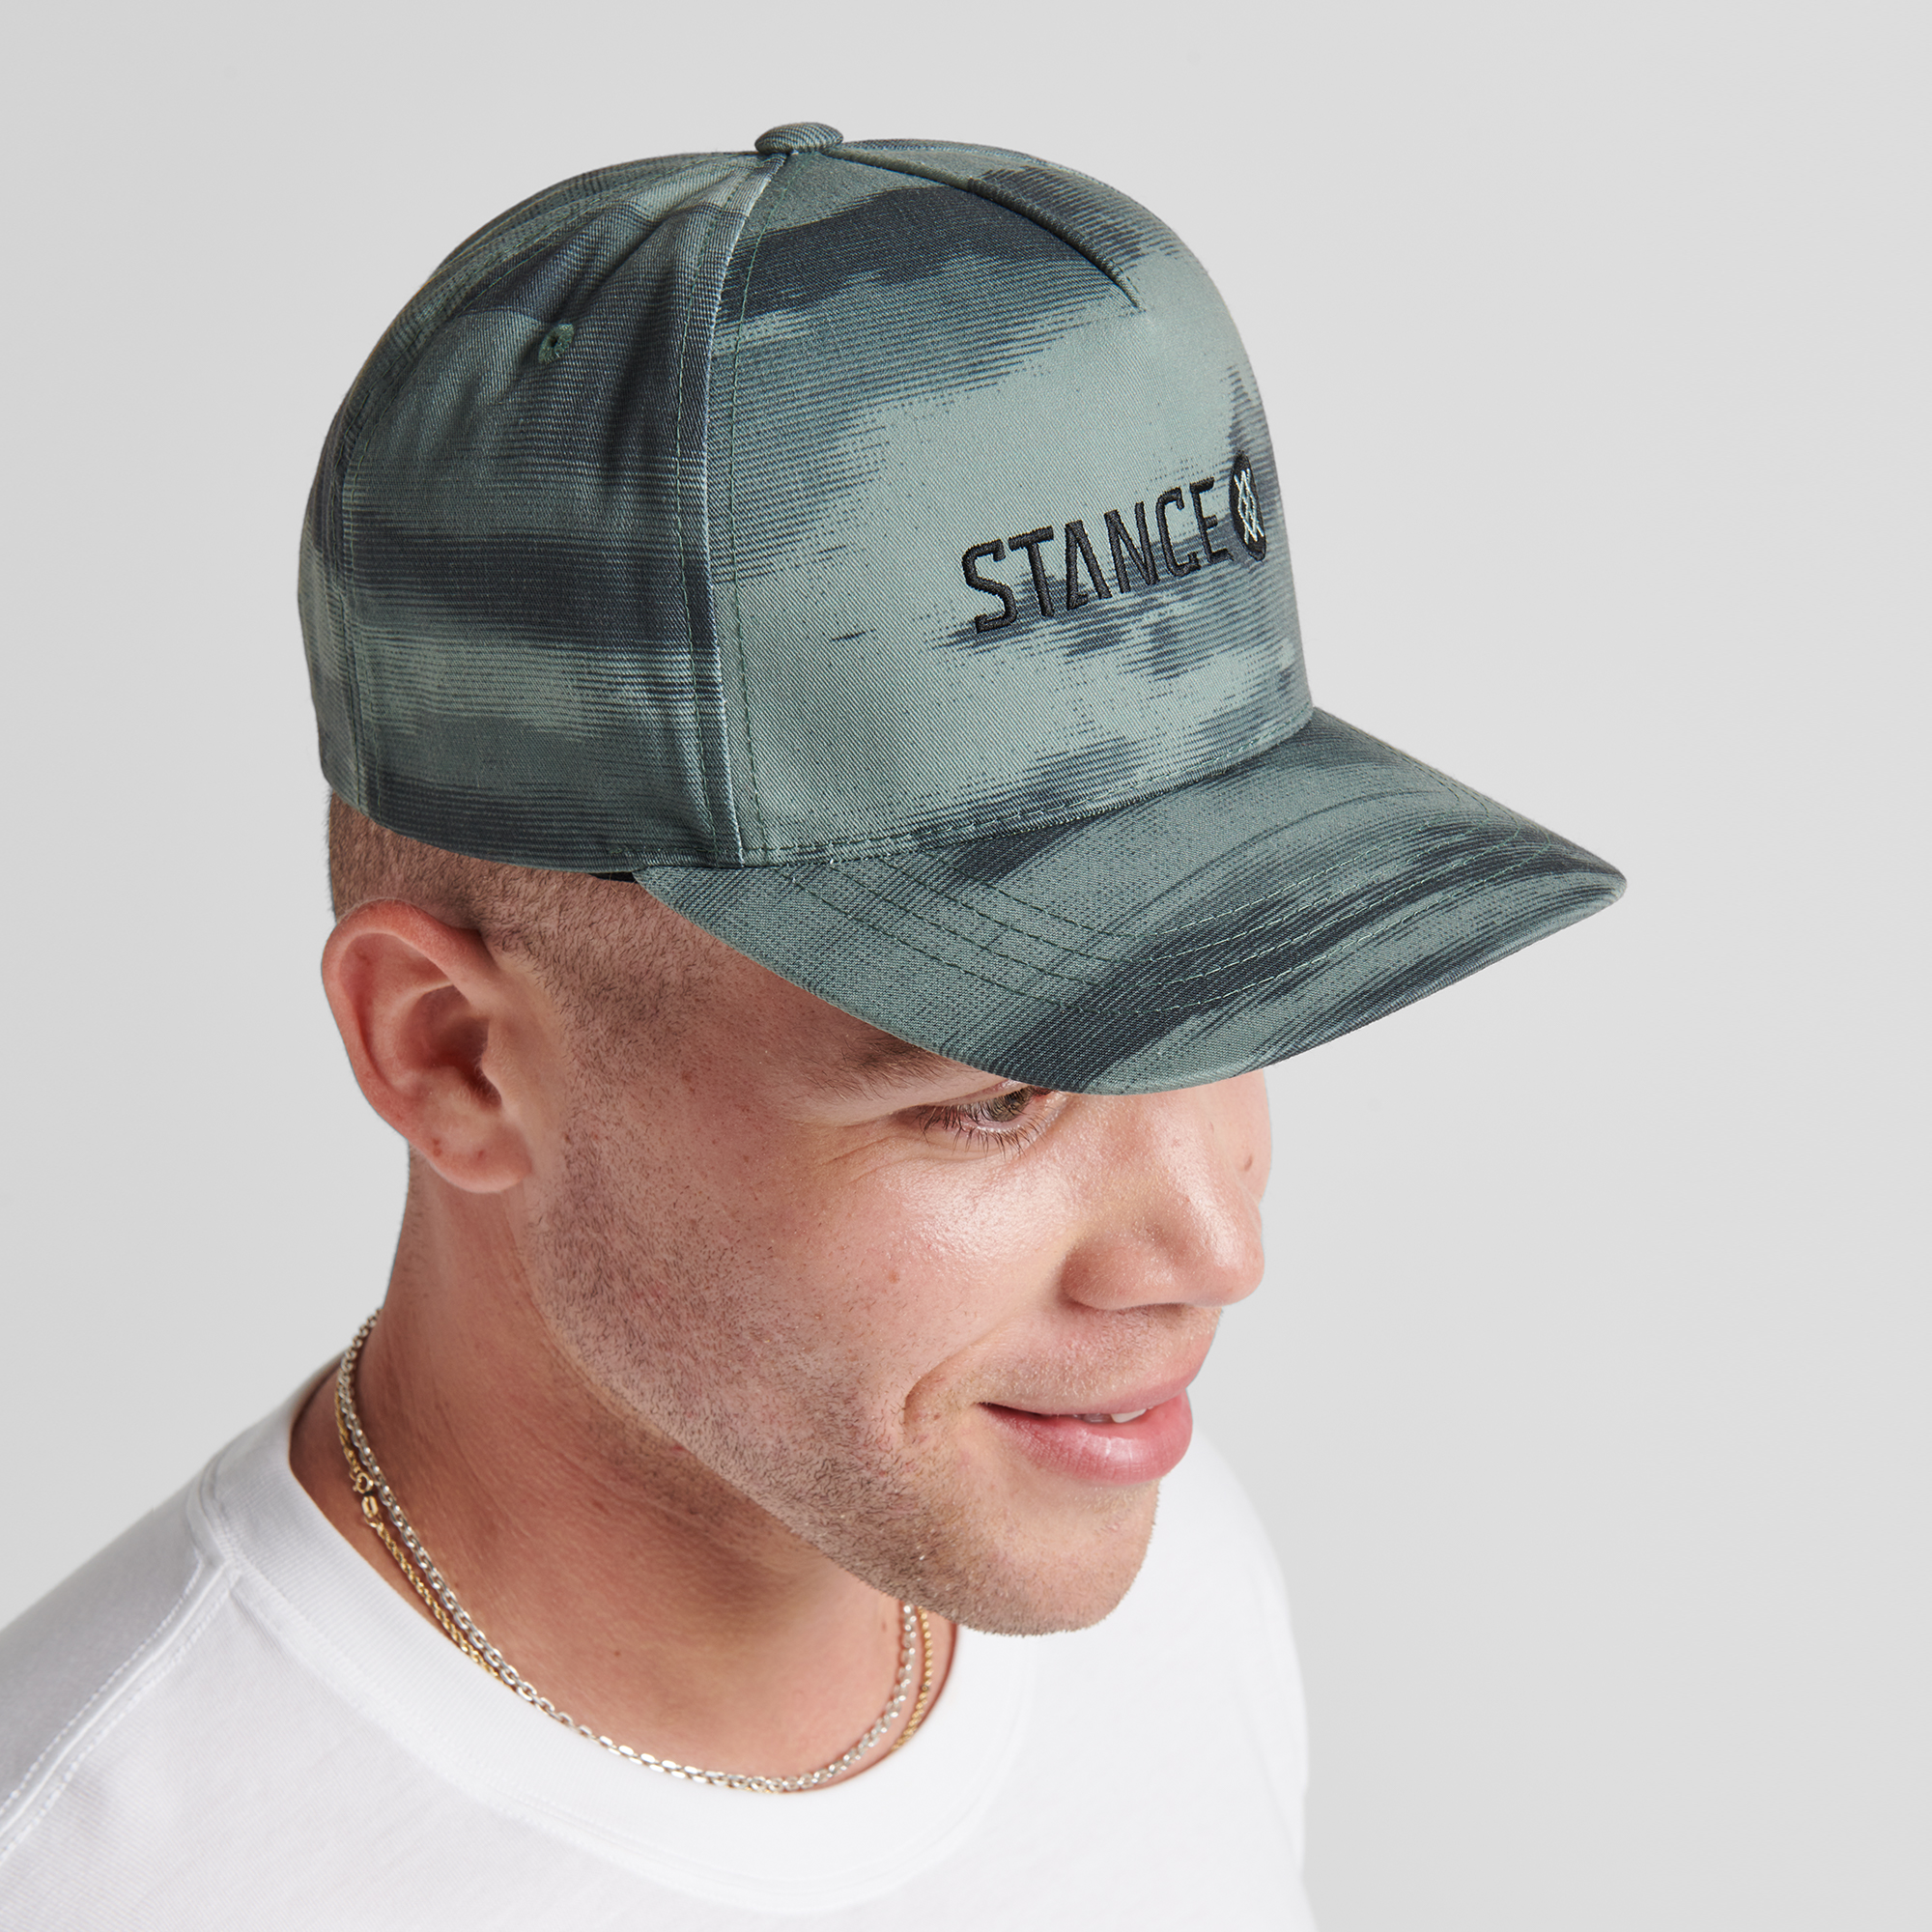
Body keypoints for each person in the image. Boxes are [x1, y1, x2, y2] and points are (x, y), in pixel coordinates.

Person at [0, 125, 1621, 1926]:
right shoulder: (101, 1871)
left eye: (1221, 1005)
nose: (1213, 1251)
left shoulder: (1164, 1582)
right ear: (450, 1056)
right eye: (995, 1097)